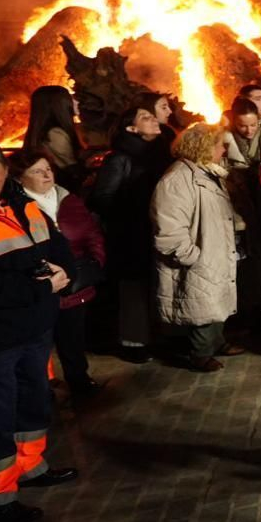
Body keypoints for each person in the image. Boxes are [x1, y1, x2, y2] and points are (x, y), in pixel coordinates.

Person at [0, 146, 77, 522]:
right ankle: (0, 497)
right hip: (1, 336)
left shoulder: (23, 206)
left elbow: (58, 247)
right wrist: (41, 289)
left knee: (33, 401)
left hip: (36, 328)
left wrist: (66, 275)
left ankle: (31, 467)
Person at [152, 122, 242, 372]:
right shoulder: (178, 179)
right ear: (203, 147)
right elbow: (169, 227)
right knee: (202, 303)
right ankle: (200, 354)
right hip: (200, 255)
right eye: (218, 145)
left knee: (215, 298)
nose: (223, 150)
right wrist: (192, 256)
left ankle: (217, 342)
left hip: (215, 250)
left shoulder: (207, 173)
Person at [13, 151, 103, 399]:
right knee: (40, 341)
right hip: (42, 285)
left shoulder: (68, 199)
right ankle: (40, 387)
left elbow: (91, 233)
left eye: (48, 169)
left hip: (74, 282)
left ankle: (79, 380)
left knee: (73, 337)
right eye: (37, 171)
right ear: (20, 179)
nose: (47, 174)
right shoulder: (17, 208)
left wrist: (96, 261)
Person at [90, 99, 171, 364]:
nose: (153, 120)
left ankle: (157, 336)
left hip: (156, 229)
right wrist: (134, 210)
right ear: (131, 129)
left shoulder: (161, 154)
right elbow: (102, 198)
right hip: (131, 235)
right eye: (145, 117)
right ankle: (133, 342)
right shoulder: (120, 159)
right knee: (134, 289)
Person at [222, 99, 261, 334]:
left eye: (253, 125)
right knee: (243, 263)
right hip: (238, 205)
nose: (249, 131)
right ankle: (242, 311)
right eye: (243, 126)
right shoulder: (224, 140)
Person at [22, 86, 87, 191]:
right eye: (70, 98)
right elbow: (71, 167)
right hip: (66, 188)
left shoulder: (45, 132)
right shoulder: (55, 134)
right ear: (59, 105)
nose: (76, 102)